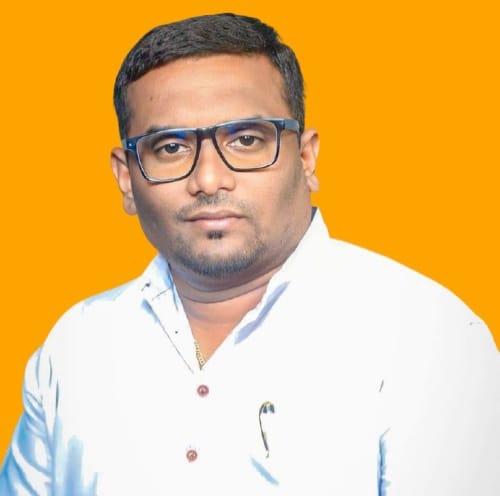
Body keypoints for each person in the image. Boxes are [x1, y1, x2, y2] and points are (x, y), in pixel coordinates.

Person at [1, 12, 499, 496]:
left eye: (245, 140)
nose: (209, 179)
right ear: (126, 178)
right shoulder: (76, 347)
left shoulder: (425, 338)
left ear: (306, 158)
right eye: (171, 148)